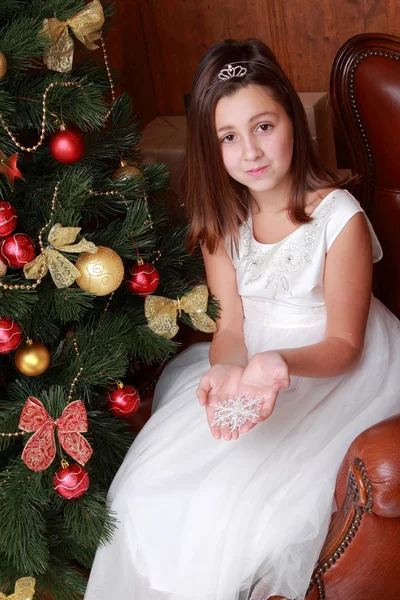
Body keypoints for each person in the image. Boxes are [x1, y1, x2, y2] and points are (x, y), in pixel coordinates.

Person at [85, 39, 400, 600]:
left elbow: (346, 343)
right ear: (212, 147)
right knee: (149, 491)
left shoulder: (338, 219)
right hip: (255, 358)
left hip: (332, 367)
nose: (251, 151)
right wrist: (229, 372)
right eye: (229, 137)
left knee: (239, 509)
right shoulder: (222, 223)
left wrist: (279, 364)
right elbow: (230, 327)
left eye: (263, 126)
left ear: (293, 123)